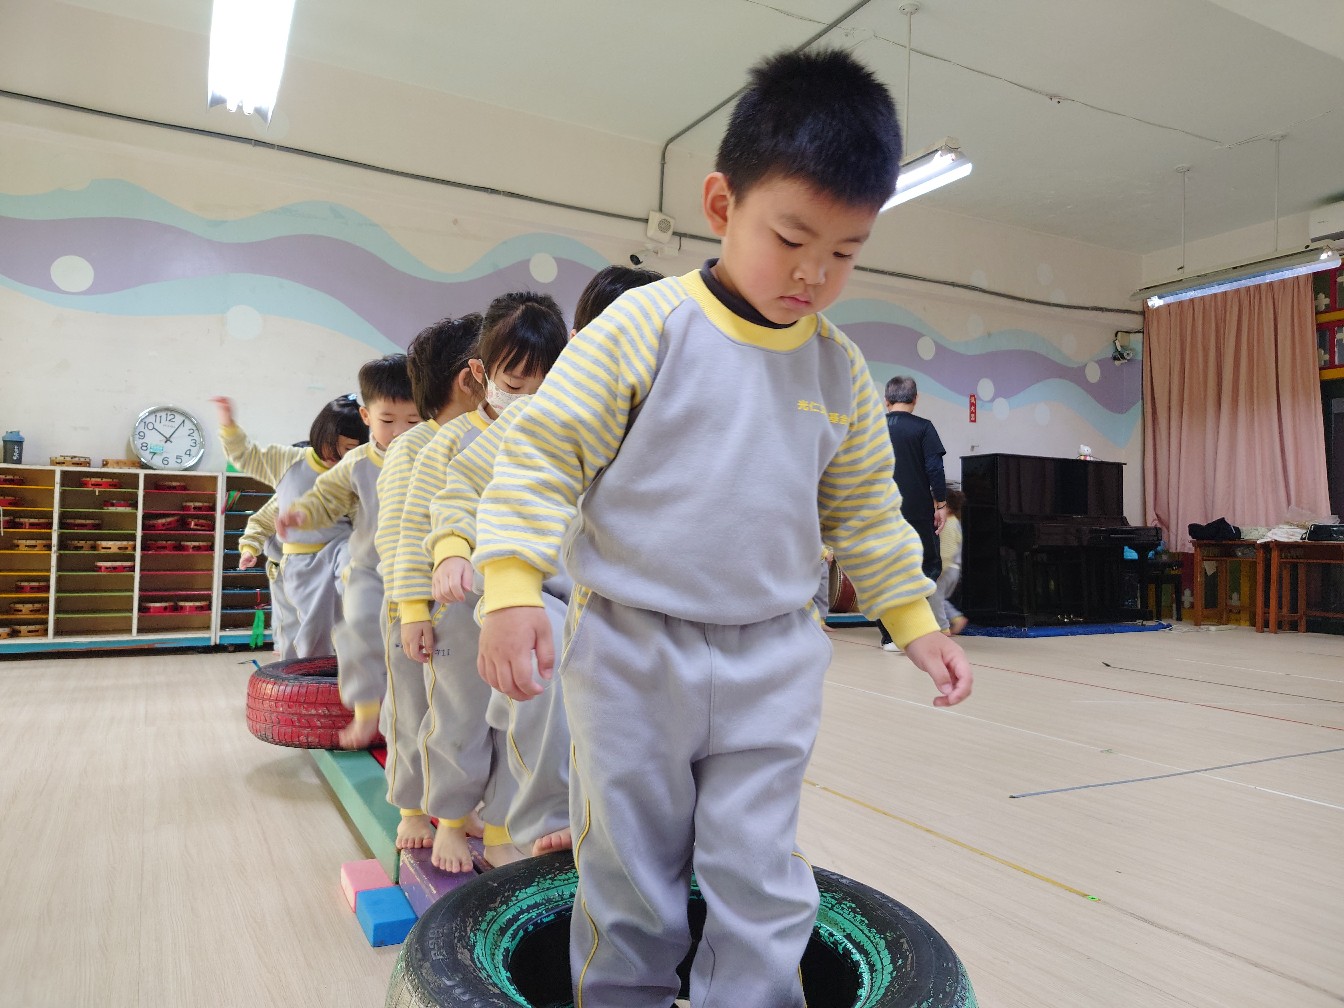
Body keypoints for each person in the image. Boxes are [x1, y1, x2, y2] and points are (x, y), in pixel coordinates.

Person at [470, 49, 972, 1008]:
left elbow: (868, 509)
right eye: (791, 237)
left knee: (760, 874)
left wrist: (914, 619)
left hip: (772, 658)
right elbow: (543, 456)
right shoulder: (644, 328)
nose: (815, 273)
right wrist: (511, 587)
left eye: (846, 252)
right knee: (629, 877)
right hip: (630, 650)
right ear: (720, 205)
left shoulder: (840, 370)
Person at [423, 265, 665, 865]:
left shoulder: (674, 422)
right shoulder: (544, 413)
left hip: (628, 599)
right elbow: (462, 487)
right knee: (538, 668)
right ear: (583, 343)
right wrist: (451, 548)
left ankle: (624, 821)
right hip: (542, 593)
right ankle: (539, 816)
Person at [394, 292, 568, 873]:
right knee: (459, 719)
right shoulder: (452, 441)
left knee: (517, 720)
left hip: (525, 606)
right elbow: (420, 525)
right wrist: (414, 608)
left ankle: (499, 826)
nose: (528, 396)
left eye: (542, 382)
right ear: (480, 373)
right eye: (514, 383)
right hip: (459, 606)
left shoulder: (557, 428)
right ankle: (448, 816)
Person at [373, 314, 483, 851]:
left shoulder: (480, 440)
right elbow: (397, 535)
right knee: (412, 711)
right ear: (470, 378)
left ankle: (455, 805)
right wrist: (412, 610)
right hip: (412, 607)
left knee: (458, 715)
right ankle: (413, 810)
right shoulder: (414, 446)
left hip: (459, 604)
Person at [274, 355, 421, 750]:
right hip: (370, 568)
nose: (400, 432)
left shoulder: (432, 453)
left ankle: (408, 715)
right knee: (357, 629)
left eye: (413, 421)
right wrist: (302, 513)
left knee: (416, 646)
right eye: (388, 420)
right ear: (366, 417)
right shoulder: (358, 462)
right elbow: (326, 497)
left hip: (419, 570)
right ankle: (366, 710)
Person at [212, 395, 366, 659]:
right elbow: (246, 456)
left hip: (339, 548)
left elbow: (361, 517)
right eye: (333, 446)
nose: (339, 456)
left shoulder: (351, 470)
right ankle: (305, 667)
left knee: (349, 600)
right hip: (299, 562)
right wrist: (228, 426)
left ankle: (355, 643)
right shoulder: (289, 461)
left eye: (350, 449)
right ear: (319, 434)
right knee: (310, 629)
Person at [878, 375, 948, 652]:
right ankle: (912, 628)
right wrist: (940, 504)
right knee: (927, 566)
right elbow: (935, 469)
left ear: (887, 400)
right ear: (915, 399)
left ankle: (889, 636)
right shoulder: (924, 428)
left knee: (884, 569)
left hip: (880, 511)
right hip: (916, 510)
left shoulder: (873, 426)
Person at [932, 487, 968, 635]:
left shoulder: (946, 524)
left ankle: (943, 627)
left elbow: (946, 550)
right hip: (953, 568)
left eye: (935, 504)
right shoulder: (955, 522)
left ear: (946, 507)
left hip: (945, 568)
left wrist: (939, 569)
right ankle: (956, 618)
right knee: (938, 598)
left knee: (934, 597)